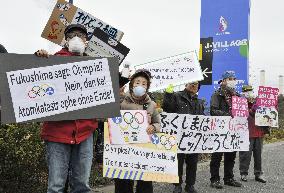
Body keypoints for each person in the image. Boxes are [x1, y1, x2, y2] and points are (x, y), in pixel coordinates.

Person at [36, 24, 98, 193]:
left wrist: (121, 79)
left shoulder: (96, 66)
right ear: (65, 40)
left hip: (85, 131)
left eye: (81, 35)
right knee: (56, 186)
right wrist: (38, 60)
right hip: (57, 132)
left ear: (86, 41)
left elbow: (107, 94)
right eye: (72, 35)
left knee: (82, 186)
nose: (77, 38)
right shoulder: (52, 60)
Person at [114, 69, 161, 193]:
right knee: (123, 181)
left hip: (144, 148)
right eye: (137, 82)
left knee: (145, 182)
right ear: (132, 85)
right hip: (123, 148)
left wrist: (154, 127)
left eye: (144, 83)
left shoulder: (151, 104)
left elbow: (158, 123)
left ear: (147, 87)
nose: (140, 85)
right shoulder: (121, 101)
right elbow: (110, 119)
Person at [163, 82, 205, 193]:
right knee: (178, 162)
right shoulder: (176, 96)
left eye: (197, 85)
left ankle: (190, 185)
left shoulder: (200, 102)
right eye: (192, 83)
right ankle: (177, 185)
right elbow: (167, 108)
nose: (194, 85)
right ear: (186, 84)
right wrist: (168, 93)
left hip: (193, 138)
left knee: (193, 162)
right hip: (178, 136)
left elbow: (202, 119)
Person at [209, 71, 242, 189]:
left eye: (234, 78)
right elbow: (213, 111)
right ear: (223, 81)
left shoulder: (237, 96)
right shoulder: (217, 94)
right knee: (217, 156)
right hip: (219, 130)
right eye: (230, 78)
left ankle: (229, 178)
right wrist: (229, 115)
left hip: (233, 131)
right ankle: (214, 179)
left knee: (231, 156)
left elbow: (242, 112)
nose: (233, 81)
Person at [239, 85, 267, 183]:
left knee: (258, 155)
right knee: (245, 155)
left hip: (259, 132)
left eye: (250, 91)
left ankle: (258, 173)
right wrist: (251, 110)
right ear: (243, 93)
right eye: (246, 92)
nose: (248, 93)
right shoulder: (240, 103)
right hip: (246, 133)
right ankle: (243, 173)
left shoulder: (258, 102)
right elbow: (241, 115)